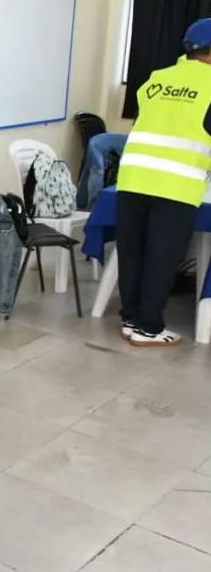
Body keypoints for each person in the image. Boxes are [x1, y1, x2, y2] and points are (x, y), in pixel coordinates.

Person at [117, 18, 211, 347]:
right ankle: (149, 328)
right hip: (175, 185)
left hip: (131, 178)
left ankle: (130, 318)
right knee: (161, 257)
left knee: (132, 253)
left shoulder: (157, 79)